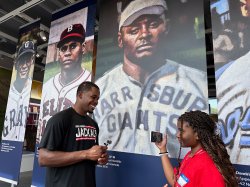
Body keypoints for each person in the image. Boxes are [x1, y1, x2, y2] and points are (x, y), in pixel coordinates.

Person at [94, 0, 208, 156]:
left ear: (166, 27)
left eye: (153, 25)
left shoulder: (198, 83)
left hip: (174, 176)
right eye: (134, 30)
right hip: (116, 174)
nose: (144, 34)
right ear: (120, 40)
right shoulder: (101, 88)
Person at [38, 81, 108, 187]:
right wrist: (86, 153)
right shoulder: (60, 120)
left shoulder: (93, 124)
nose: (96, 101)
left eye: (97, 98)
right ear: (80, 95)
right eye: (93, 97)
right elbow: (43, 158)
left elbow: (89, 155)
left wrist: (99, 158)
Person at [36, 23, 92, 143]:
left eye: (73, 46)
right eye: (63, 48)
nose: (67, 53)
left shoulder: (90, 84)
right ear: (59, 53)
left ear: (82, 47)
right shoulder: (47, 86)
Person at [155, 110, 238, 187]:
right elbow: (175, 181)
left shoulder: (208, 167)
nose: (177, 134)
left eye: (181, 131)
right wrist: (163, 149)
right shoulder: (191, 155)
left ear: (197, 134)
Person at [2, 41, 35, 141]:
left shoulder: (29, 88)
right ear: (16, 64)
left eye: (27, 60)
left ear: (32, 62)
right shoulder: (9, 93)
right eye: (21, 61)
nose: (24, 65)